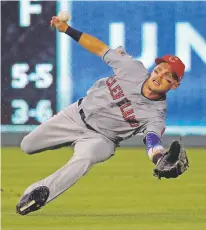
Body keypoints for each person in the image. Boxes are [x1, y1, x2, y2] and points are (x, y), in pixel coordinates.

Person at [16, 15, 188, 215]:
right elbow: (100, 48)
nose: (159, 76)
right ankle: (64, 141)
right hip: (74, 116)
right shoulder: (132, 68)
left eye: (168, 77)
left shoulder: (156, 114)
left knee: (84, 158)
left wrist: (159, 159)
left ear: (175, 85)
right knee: (27, 145)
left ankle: (39, 193)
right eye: (159, 70)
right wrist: (67, 29)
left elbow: (153, 141)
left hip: (102, 139)